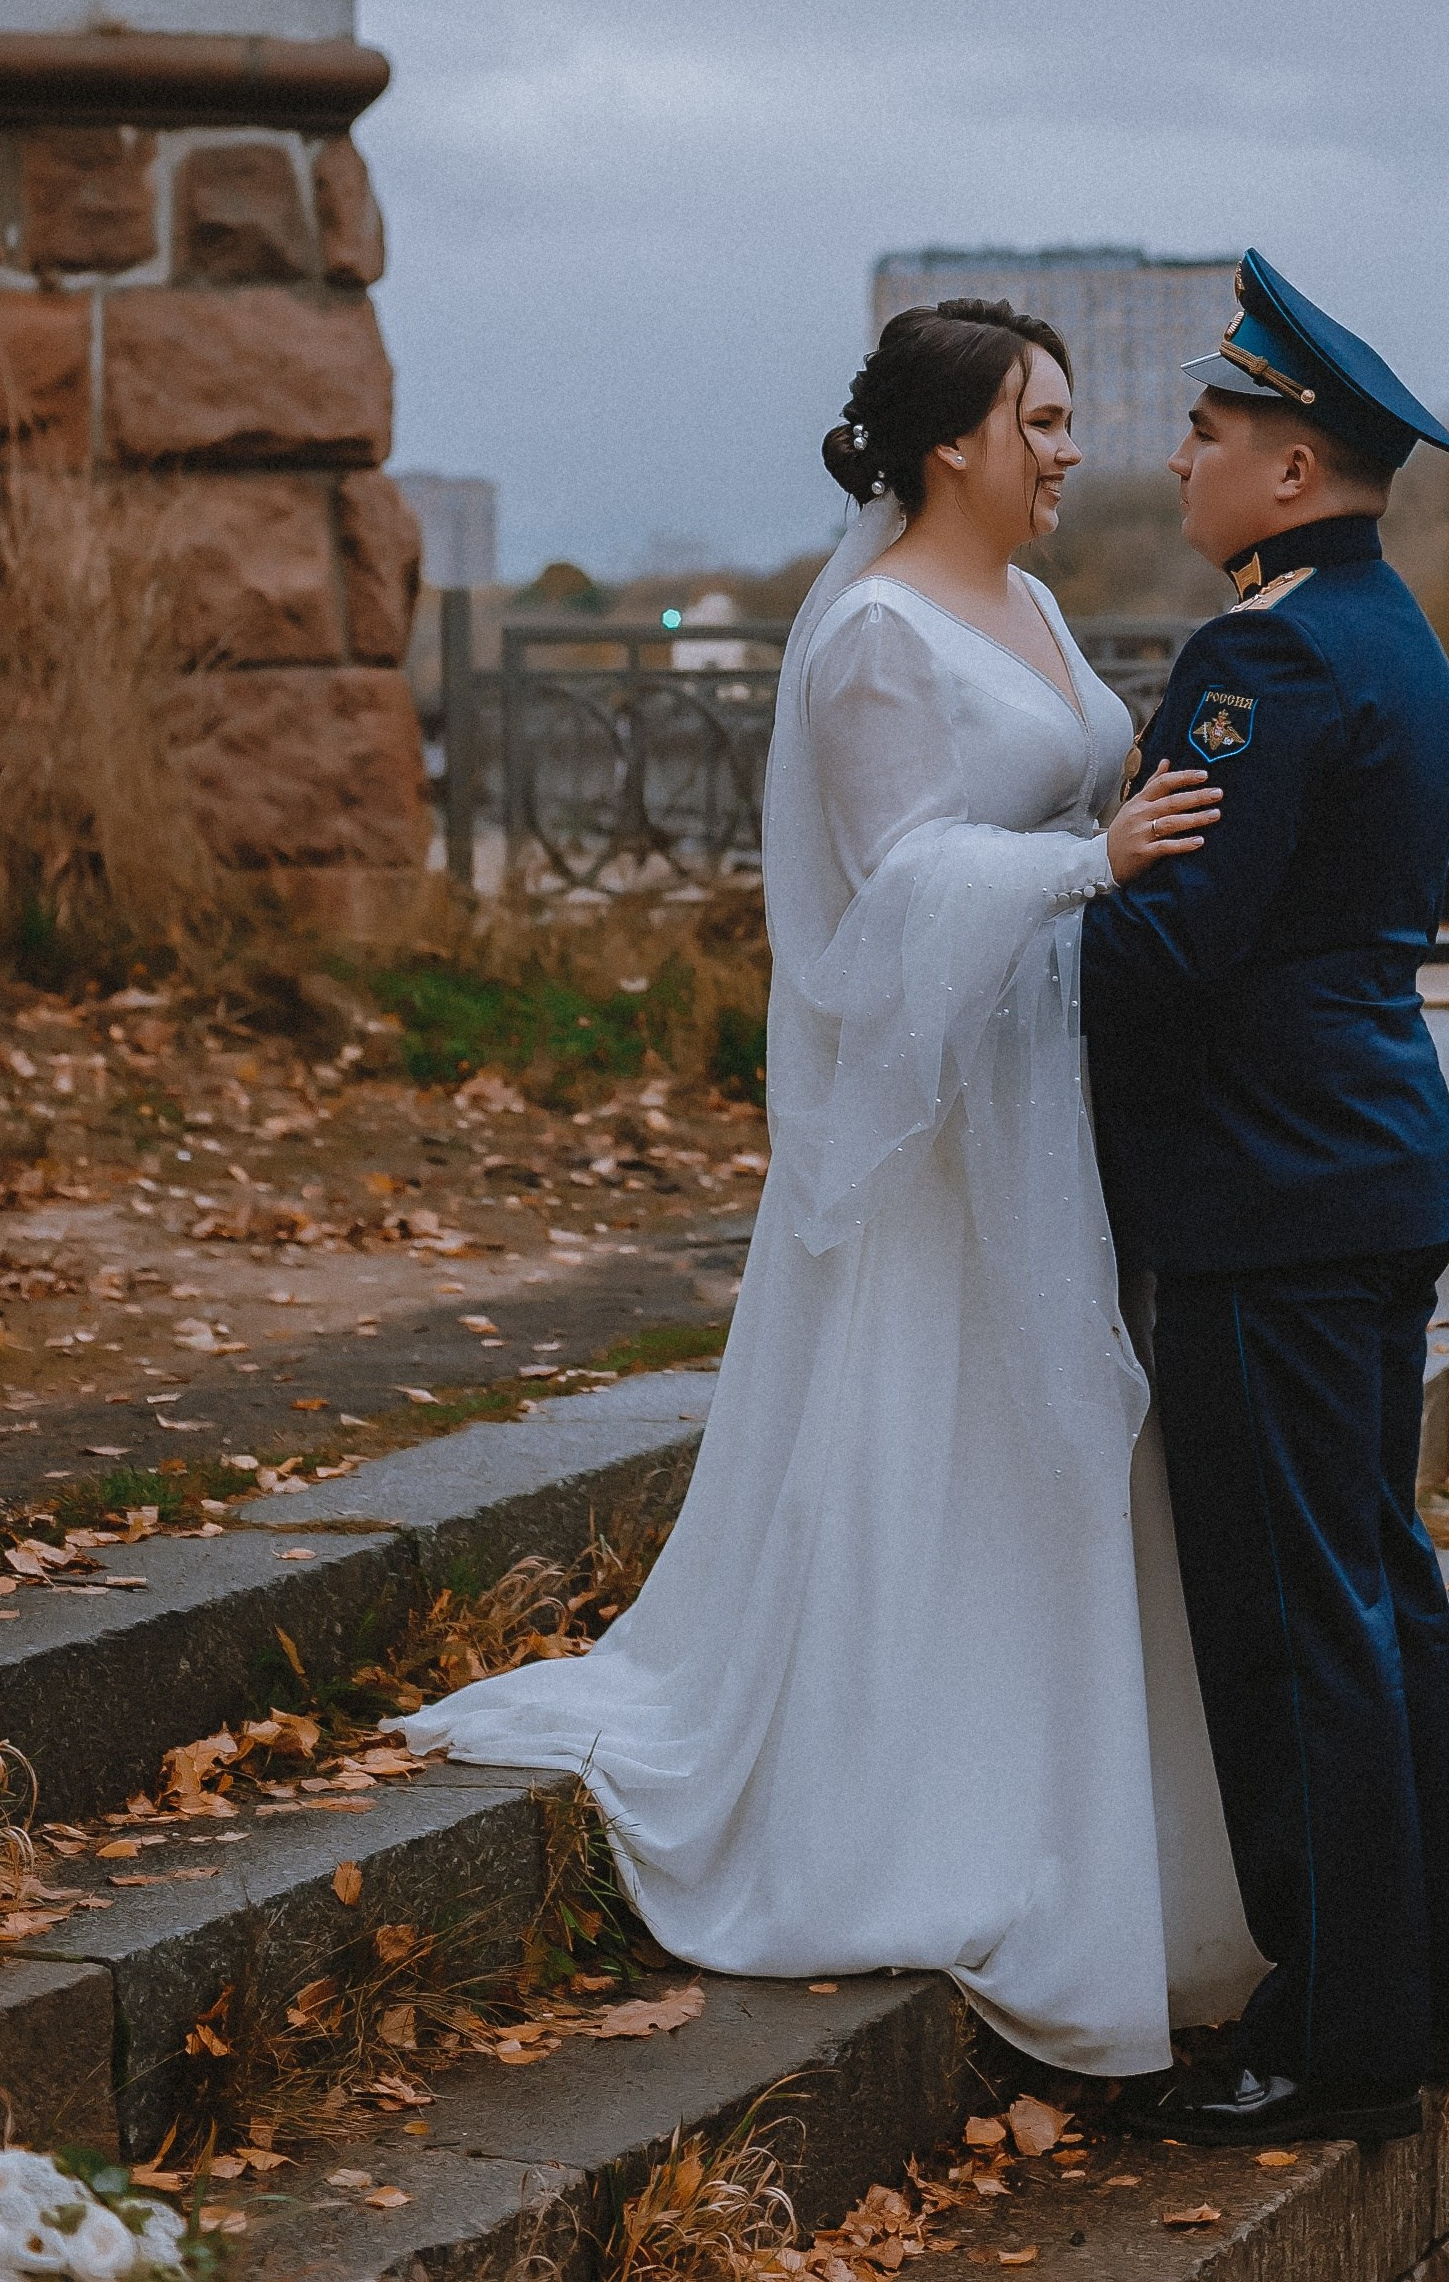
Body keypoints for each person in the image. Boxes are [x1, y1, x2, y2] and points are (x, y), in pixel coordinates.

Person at [398, 301, 1264, 2074]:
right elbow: (892, 897)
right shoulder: (872, 633)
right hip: (942, 1122)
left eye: (1068, 419)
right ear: (950, 442)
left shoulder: (1028, 606)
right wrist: (1088, 864)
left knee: (1053, 1434)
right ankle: (913, 1804)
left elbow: (1046, 805)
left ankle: (1068, 1789)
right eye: (1040, 419)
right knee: (949, 1424)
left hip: (1050, 1091)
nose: (1070, 449)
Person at [1081, 250, 1449, 2146]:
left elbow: (1178, 942)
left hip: (1270, 1189)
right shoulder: (1393, 631)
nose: (1179, 459)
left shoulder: (1266, 658)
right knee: (1377, 1591)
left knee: (1289, 1617)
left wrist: (1012, 924)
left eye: (1207, 429)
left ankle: (1327, 2031)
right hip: (1366, 1168)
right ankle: (1414, 1989)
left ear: (1294, 467)